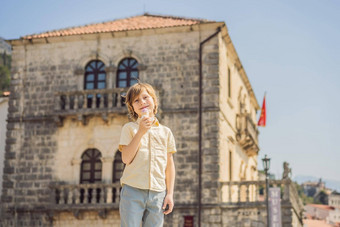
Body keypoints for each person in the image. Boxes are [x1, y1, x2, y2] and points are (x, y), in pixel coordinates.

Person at [118, 82, 176, 227]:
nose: (142, 102)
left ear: (154, 100)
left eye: (145, 97)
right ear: (132, 107)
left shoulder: (166, 132)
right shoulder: (129, 128)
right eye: (136, 100)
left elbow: (169, 165)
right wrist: (141, 132)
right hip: (132, 190)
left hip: (158, 193)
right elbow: (126, 158)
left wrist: (170, 194)